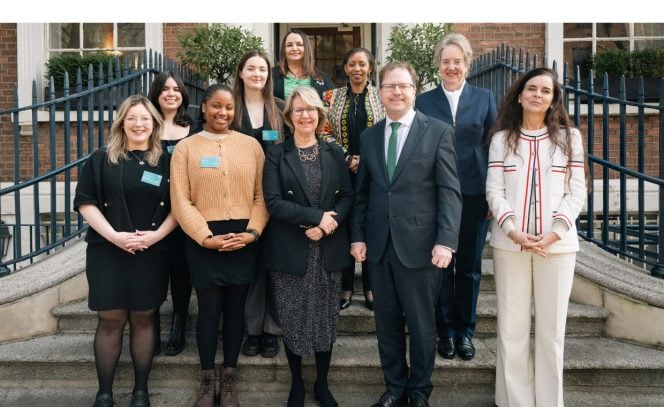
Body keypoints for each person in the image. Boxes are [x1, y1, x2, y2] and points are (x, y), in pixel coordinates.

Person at [351, 62, 462, 407]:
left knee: (421, 324)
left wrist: (446, 241)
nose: (396, 92)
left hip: (421, 247)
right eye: (389, 87)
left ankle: (418, 392)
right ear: (379, 93)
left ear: (415, 90)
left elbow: (450, 192)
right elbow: (363, 193)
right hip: (380, 247)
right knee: (386, 324)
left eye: (403, 86)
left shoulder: (438, 132)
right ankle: (395, 387)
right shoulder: (369, 136)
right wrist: (357, 236)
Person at [486, 67, 587, 407]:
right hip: (509, 244)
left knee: (551, 334)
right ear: (519, 95)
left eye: (546, 91)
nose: (537, 95)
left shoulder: (570, 138)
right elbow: (494, 190)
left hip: (557, 250)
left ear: (553, 100)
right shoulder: (501, 139)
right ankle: (514, 401)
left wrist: (554, 234)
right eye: (532, 88)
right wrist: (513, 229)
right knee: (511, 330)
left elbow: (577, 193)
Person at [170, 84, 269, 407]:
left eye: (228, 107)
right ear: (203, 108)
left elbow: (262, 196)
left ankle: (229, 380)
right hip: (203, 239)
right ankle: (206, 379)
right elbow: (180, 200)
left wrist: (252, 233)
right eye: (216, 106)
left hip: (244, 237)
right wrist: (205, 237)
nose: (222, 113)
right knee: (209, 311)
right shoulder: (186, 148)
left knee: (236, 310)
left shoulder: (252, 146)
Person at [74, 94, 176, 407]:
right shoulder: (101, 159)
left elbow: (180, 206)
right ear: (121, 122)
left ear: (154, 123)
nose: (138, 124)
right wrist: (115, 237)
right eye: (131, 118)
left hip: (152, 250)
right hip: (107, 250)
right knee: (110, 320)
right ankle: (104, 393)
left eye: (145, 118)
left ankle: (140, 391)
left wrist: (155, 236)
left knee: (145, 318)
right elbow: (85, 203)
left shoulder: (167, 161)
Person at [262, 86, 353, 407]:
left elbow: (347, 197)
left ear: (320, 115)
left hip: (328, 251)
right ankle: (297, 383)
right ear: (289, 116)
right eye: (298, 110)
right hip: (291, 248)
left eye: (310, 109)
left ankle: (322, 384)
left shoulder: (333, 153)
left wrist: (329, 225)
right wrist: (316, 219)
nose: (305, 115)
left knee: (325, 318)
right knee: (294, 317)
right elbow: (273, 203)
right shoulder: (276, 155)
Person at [415, 33, 497, 361]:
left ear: (467, 64)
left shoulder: (485, 98)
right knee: (439, 267)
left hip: (475, 194)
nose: (452, 67)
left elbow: (496, 148)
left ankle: (465, 331)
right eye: (446, 61)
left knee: (468, 266)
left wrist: (494, 194)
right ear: (439, 65)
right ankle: (444, 331)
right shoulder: (423, 101)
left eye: (457, 61)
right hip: (435, 196)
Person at [322, 47, 385, 311]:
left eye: (362, 64)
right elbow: (322, 130)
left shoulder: (382, 97)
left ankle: (371, 287)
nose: (357, 69)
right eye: (352, 64)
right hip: (341, 172)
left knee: (371, 226)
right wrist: (347, 157)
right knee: (344, 227)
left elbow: (389, 129)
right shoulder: (330, 97)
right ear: (345, 68)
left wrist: (367, 160)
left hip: (376, 172)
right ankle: (345, 286)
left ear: (370, 68)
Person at [231, 50, 284, 359]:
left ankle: (271, 330)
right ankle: (252, 330)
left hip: (275, 198)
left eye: (262, 69)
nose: (256, 73)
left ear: (269, 75)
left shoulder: (279, 109)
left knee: (273, 265)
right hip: (239, 200)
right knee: (249, 267)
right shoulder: (230, 108)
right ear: (240, 73)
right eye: (250, 68)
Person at [147, 70, 193, 357]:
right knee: (153, 271)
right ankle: (149, 325)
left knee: (181, 270)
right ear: (156, 94)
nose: (171, 94)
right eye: (165, 89)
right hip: (151, 209)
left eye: (176, 89)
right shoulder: (146, 126)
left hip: (185, 209)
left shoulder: (194, 127)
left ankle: (179, 322)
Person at [272, 29, 334, 102]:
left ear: (306, 48)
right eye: (289, 45)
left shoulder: (324, 78)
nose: (294, 48)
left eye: (299, 44)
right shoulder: (271, 75)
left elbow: (331, 107)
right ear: (284, 49)